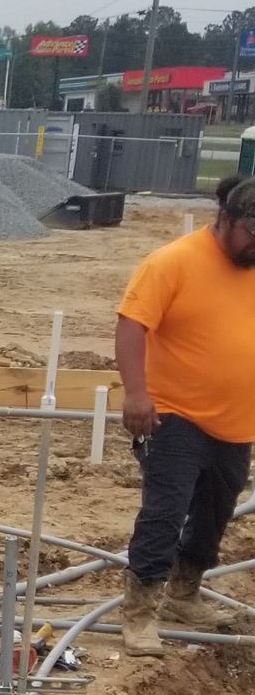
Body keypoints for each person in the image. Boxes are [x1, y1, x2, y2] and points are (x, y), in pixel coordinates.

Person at [114, 175, 255, 654]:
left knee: (216, 511)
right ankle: (139, 613)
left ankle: (183, 592)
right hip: (173, 415)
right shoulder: (173, 262)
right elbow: (131, 324)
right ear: (226, 218)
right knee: (166, 509)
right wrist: (136, 393)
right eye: (252, 233)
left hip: (235, 421)